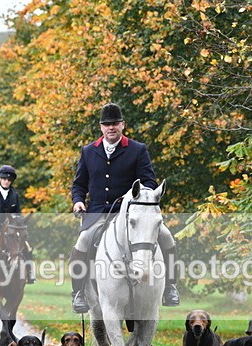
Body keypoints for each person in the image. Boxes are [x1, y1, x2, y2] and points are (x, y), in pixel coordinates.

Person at [69, 103, 180, 313]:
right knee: (83, 241)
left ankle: (171, 287)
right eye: (107, 124)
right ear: (101, 127)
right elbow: (79, 183)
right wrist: (78, 200)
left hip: (131, 213)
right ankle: (78, 292)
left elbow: (148, 180)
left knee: (166, 237)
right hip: (99, 212)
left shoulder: (138, 149)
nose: (111, 128)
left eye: (115, 124)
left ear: (123, 125)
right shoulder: (88, 151)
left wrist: (142, 197)